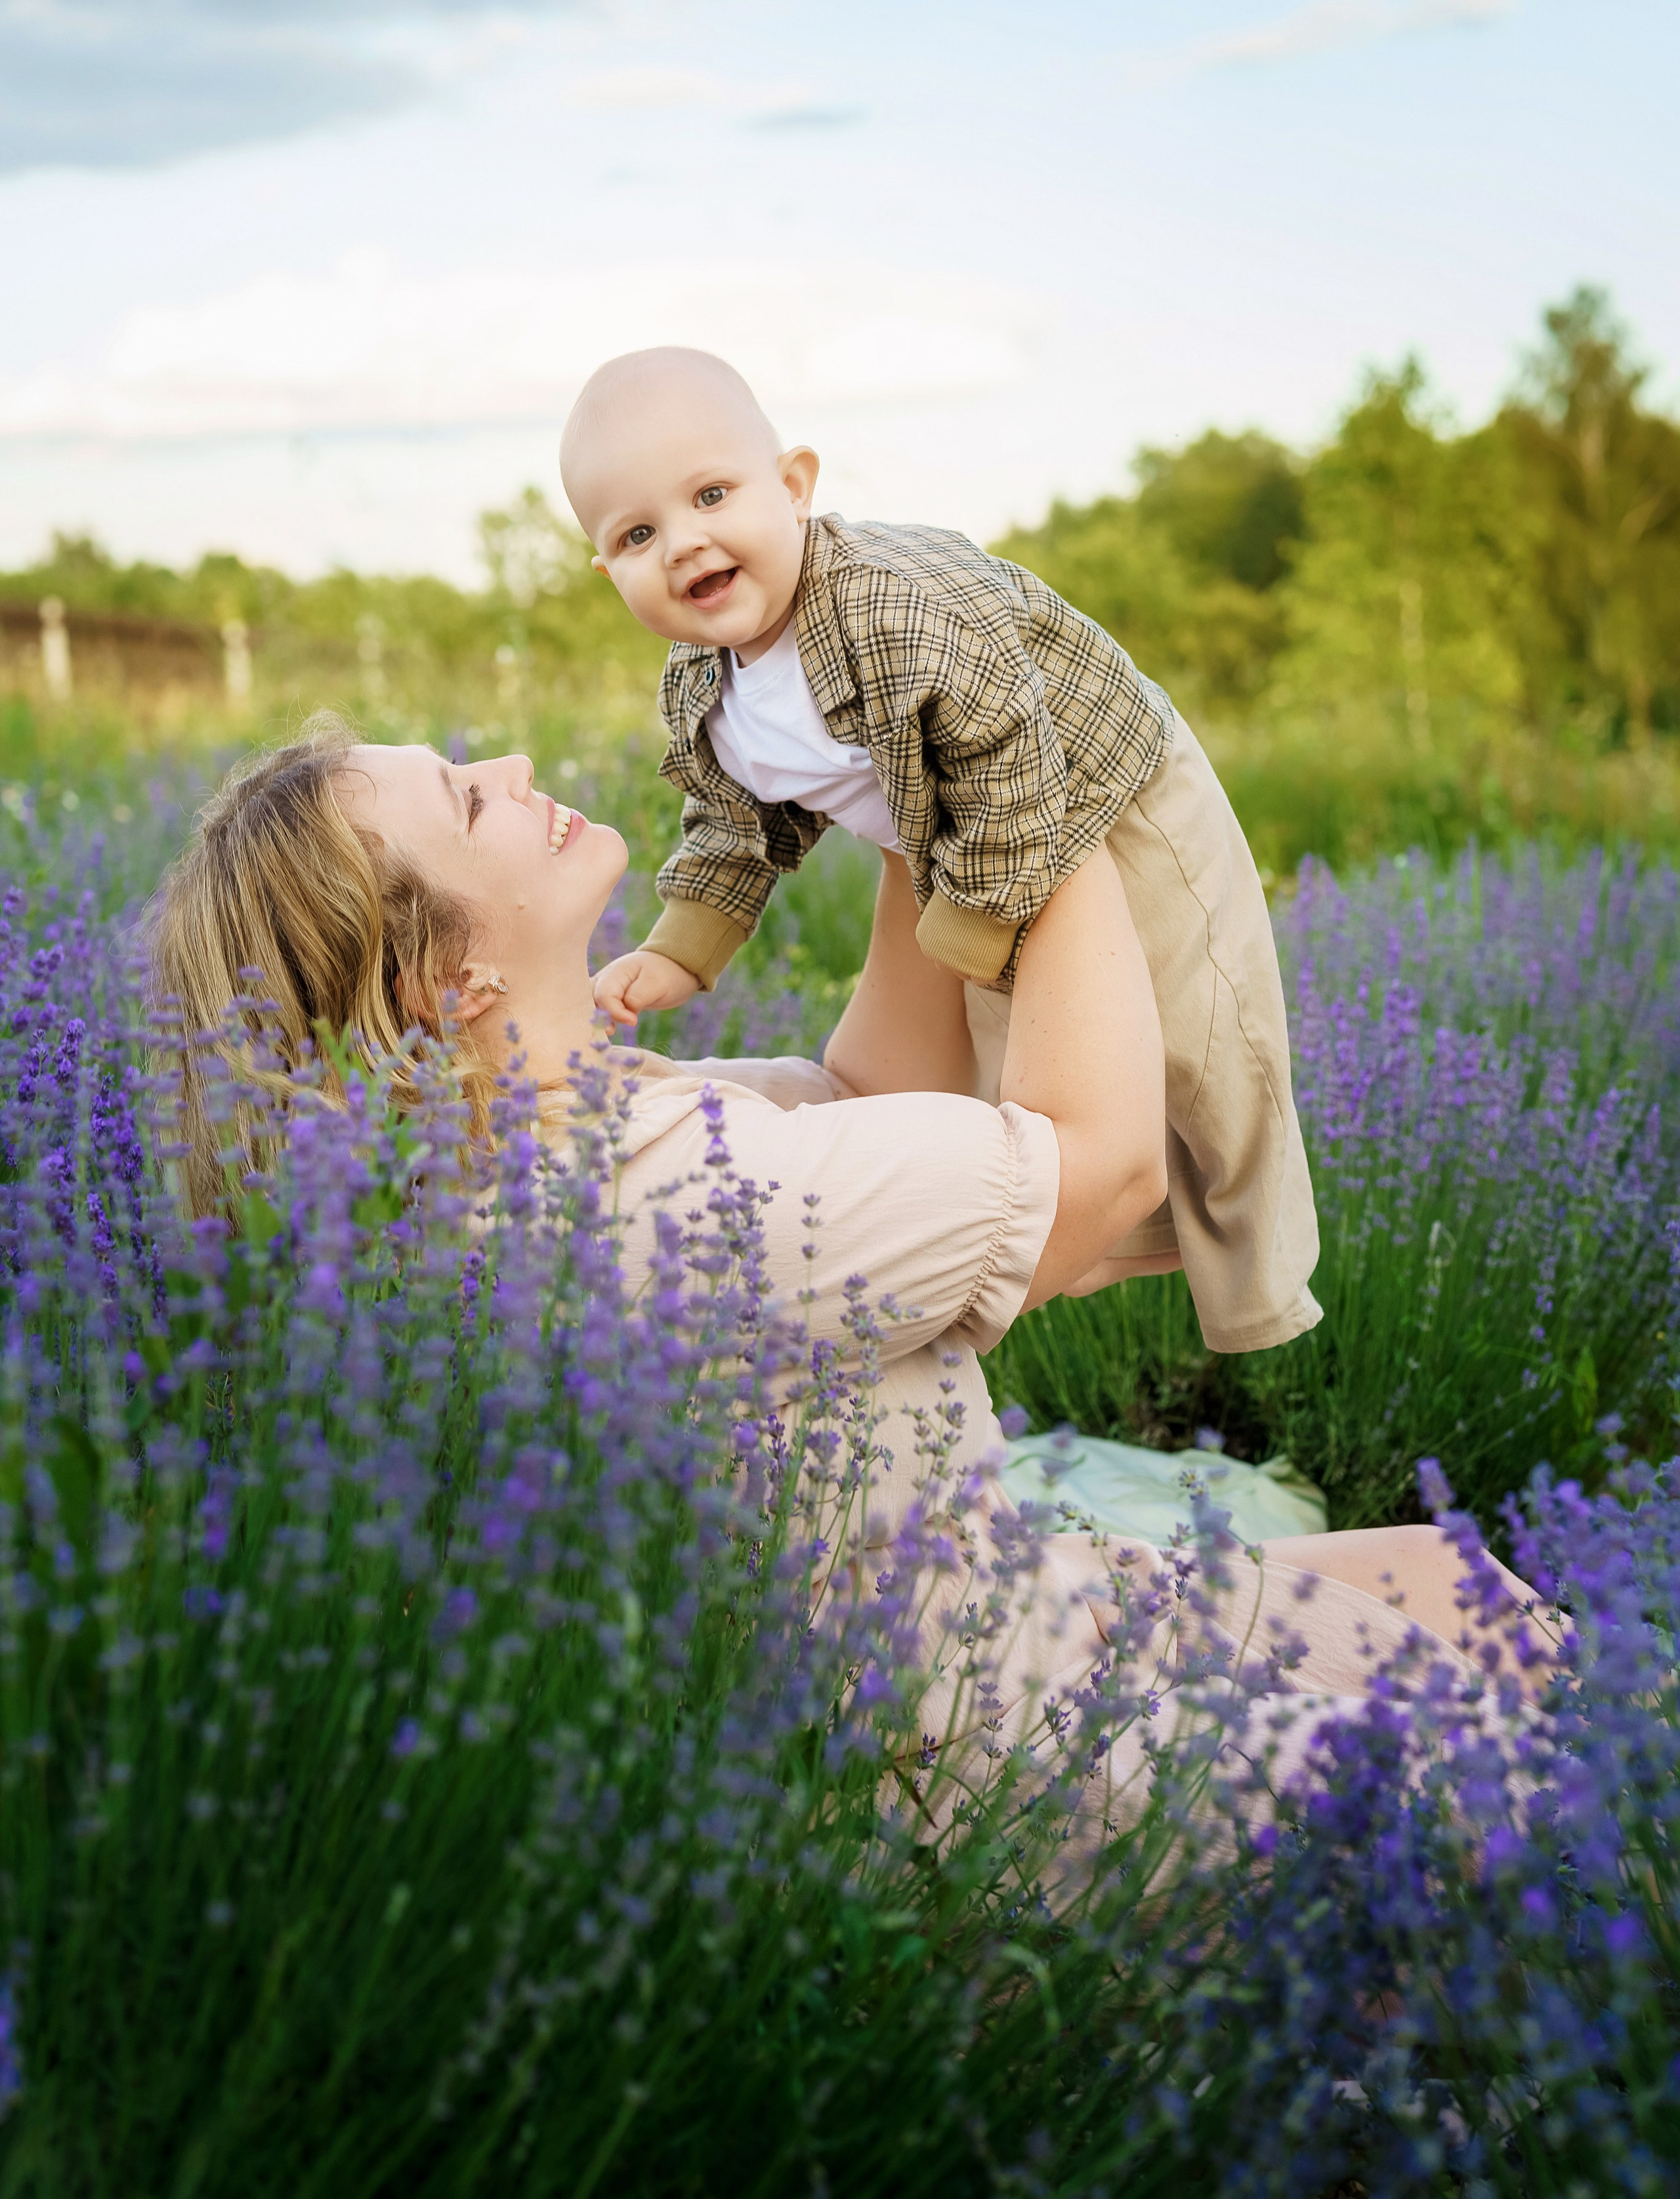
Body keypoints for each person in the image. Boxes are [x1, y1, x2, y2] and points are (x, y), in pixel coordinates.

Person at [150, 724, 1557, 1859]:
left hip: (1002, 1612)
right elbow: (1100, 1171)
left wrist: (898, 773)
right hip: (1005, 1759)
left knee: (1446, 1575)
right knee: (1553, 1777)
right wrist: (1022, 799)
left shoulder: (525, 1161)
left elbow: (872, 1098)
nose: (513, 770)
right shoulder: (668, 1212)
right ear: (443, 976)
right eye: (468, 801)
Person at [560, 347, 1318, 1358]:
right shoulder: (703, 684)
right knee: (1032, 1068)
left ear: (793, 487)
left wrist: (973, 912)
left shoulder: (894, 609)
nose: (685, 542)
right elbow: (733, 816)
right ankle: (1105, 1240)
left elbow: (1010, 744)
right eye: (640, 532)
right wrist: (686, 943)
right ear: (608, 569)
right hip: (961, 839)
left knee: (1208, 1022)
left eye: (711, 495)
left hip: (1106, 784)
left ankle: (1260, 1288)